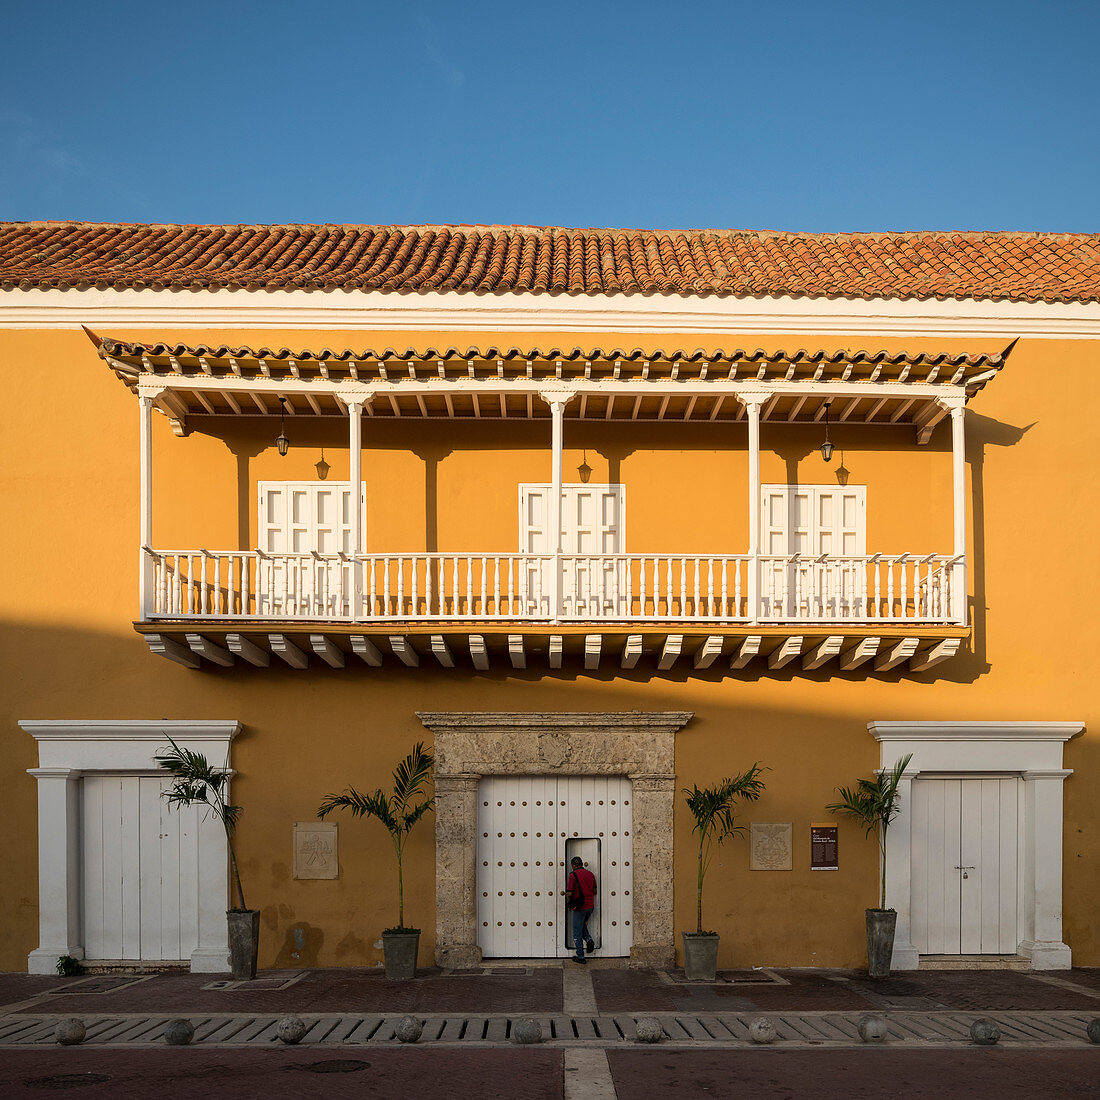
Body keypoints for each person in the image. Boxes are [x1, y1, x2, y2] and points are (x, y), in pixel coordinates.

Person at [566, 856, 597, 963]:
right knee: (582, 925)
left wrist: (569, 902)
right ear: (582, 864)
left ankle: (580, 957)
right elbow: (595, 891)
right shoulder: (591, 874)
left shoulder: (573, 875)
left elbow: (569, 892)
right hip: (590, 906)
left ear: (573, 865)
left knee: (577, 931)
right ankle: (588, 940)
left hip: (579, 907)